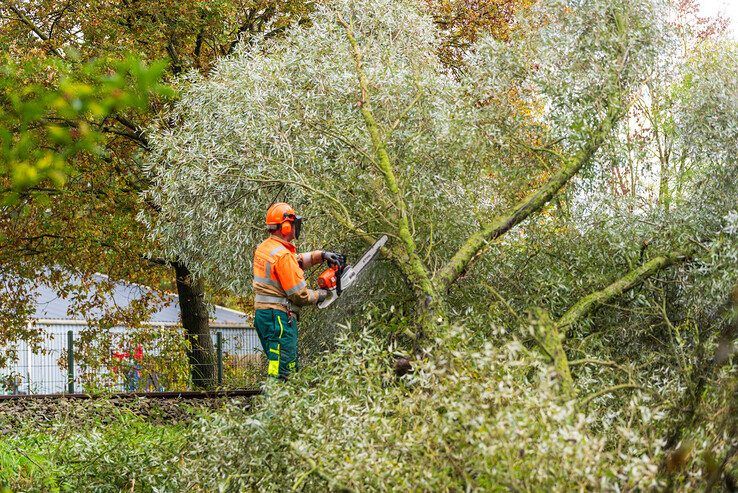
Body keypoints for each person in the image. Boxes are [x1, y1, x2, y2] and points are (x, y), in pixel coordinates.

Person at [252, 202, 341, 380]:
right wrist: (321, 295)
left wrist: (321, 255)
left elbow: (296, 260)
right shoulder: (282, 256)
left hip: (266, 316)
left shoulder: (266, 248)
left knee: (276, 366)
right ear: (285, 227)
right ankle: (278, 405)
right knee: (285, 371)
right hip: (279, 320)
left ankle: (275, 403)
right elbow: (299, 295)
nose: (295, 227)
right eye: (293, 223)